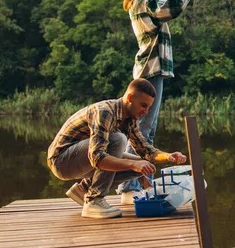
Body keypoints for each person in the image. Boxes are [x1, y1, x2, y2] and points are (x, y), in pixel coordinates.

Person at [117, 0, 199, 203]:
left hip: (149, 73)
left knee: (145, 131)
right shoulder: (145, 4)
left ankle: (141, 184)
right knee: (142, 132)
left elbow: (176, 5)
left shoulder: (138, 4)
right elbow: (173, 7)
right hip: (150, 73)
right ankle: (129, 188)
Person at [47, 78, 187, 219]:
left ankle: (84, 189)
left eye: (148, 108)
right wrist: (133, 164)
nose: (145, 111)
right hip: (61, 161)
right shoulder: (105, 112)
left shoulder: (129, 120)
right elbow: (97, 158)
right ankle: (94, 201)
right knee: (118, 140)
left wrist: (168, 156)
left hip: (81, 159)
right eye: (143, 105)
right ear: (130, 97)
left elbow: (146, 151)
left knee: (145, 165)